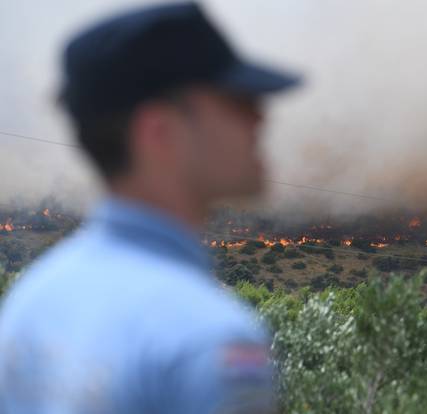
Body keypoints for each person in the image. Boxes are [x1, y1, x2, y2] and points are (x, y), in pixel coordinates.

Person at [0, 2, 300, 413]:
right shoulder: (209, 340)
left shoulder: (32, 302)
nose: (260, 118)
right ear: (159, 131)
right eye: (237, 102)